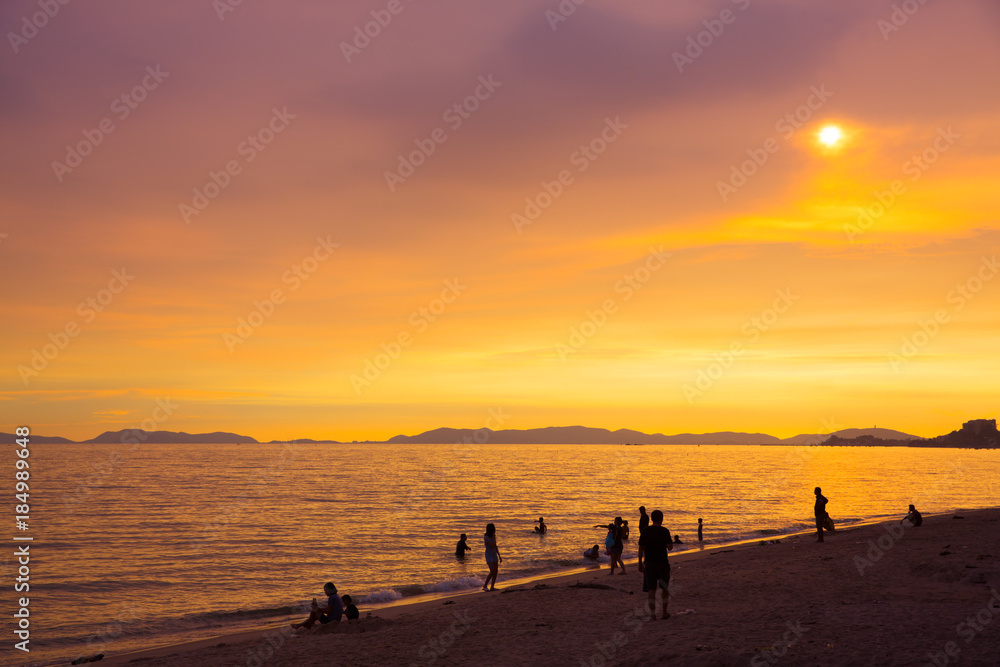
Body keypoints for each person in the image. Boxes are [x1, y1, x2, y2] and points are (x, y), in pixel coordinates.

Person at [637, 509, 673, 620]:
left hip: (649, 564)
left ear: (651, 519)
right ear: (662, 519)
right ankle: (664, 612)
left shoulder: (645, 531)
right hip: (662, 564)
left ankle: (653, 615)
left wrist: (639, 562)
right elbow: (670, 547)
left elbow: (641, 548)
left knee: (651, 590)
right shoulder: (664, 531)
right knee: (664, 588)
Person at [482, 523, 502, 591]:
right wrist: (493, 538)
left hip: (494, 554)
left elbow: (495, 546)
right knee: (492, 571)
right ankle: (485, 585)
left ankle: (492, 586)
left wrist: (499, 556)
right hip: (489, 555)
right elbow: (491, 545)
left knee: (496, 571)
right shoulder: (486, 537)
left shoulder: (493, 536)